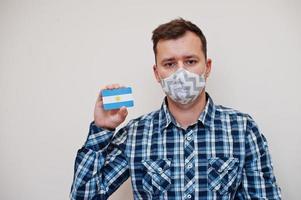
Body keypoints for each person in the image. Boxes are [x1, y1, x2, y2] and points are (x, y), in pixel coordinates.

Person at [70, 18, 281, 200]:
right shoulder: (135, 134)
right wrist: (102, 130)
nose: (181, 73)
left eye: (190, 61)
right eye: (169, 64)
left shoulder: (242, 129)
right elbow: (84, 196)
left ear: (207, 67)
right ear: (156, 73)